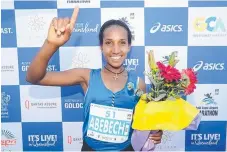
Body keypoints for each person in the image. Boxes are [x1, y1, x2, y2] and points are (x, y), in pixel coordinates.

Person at [26, 7, 163, 151]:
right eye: (109, 42)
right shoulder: (86, 76)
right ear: (101, 47)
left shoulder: (138, 84)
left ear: (129, 46)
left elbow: (142, 123)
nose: (116, 50)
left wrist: (154, 132)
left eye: (122, 42)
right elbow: (34, 77)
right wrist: (51, 44)